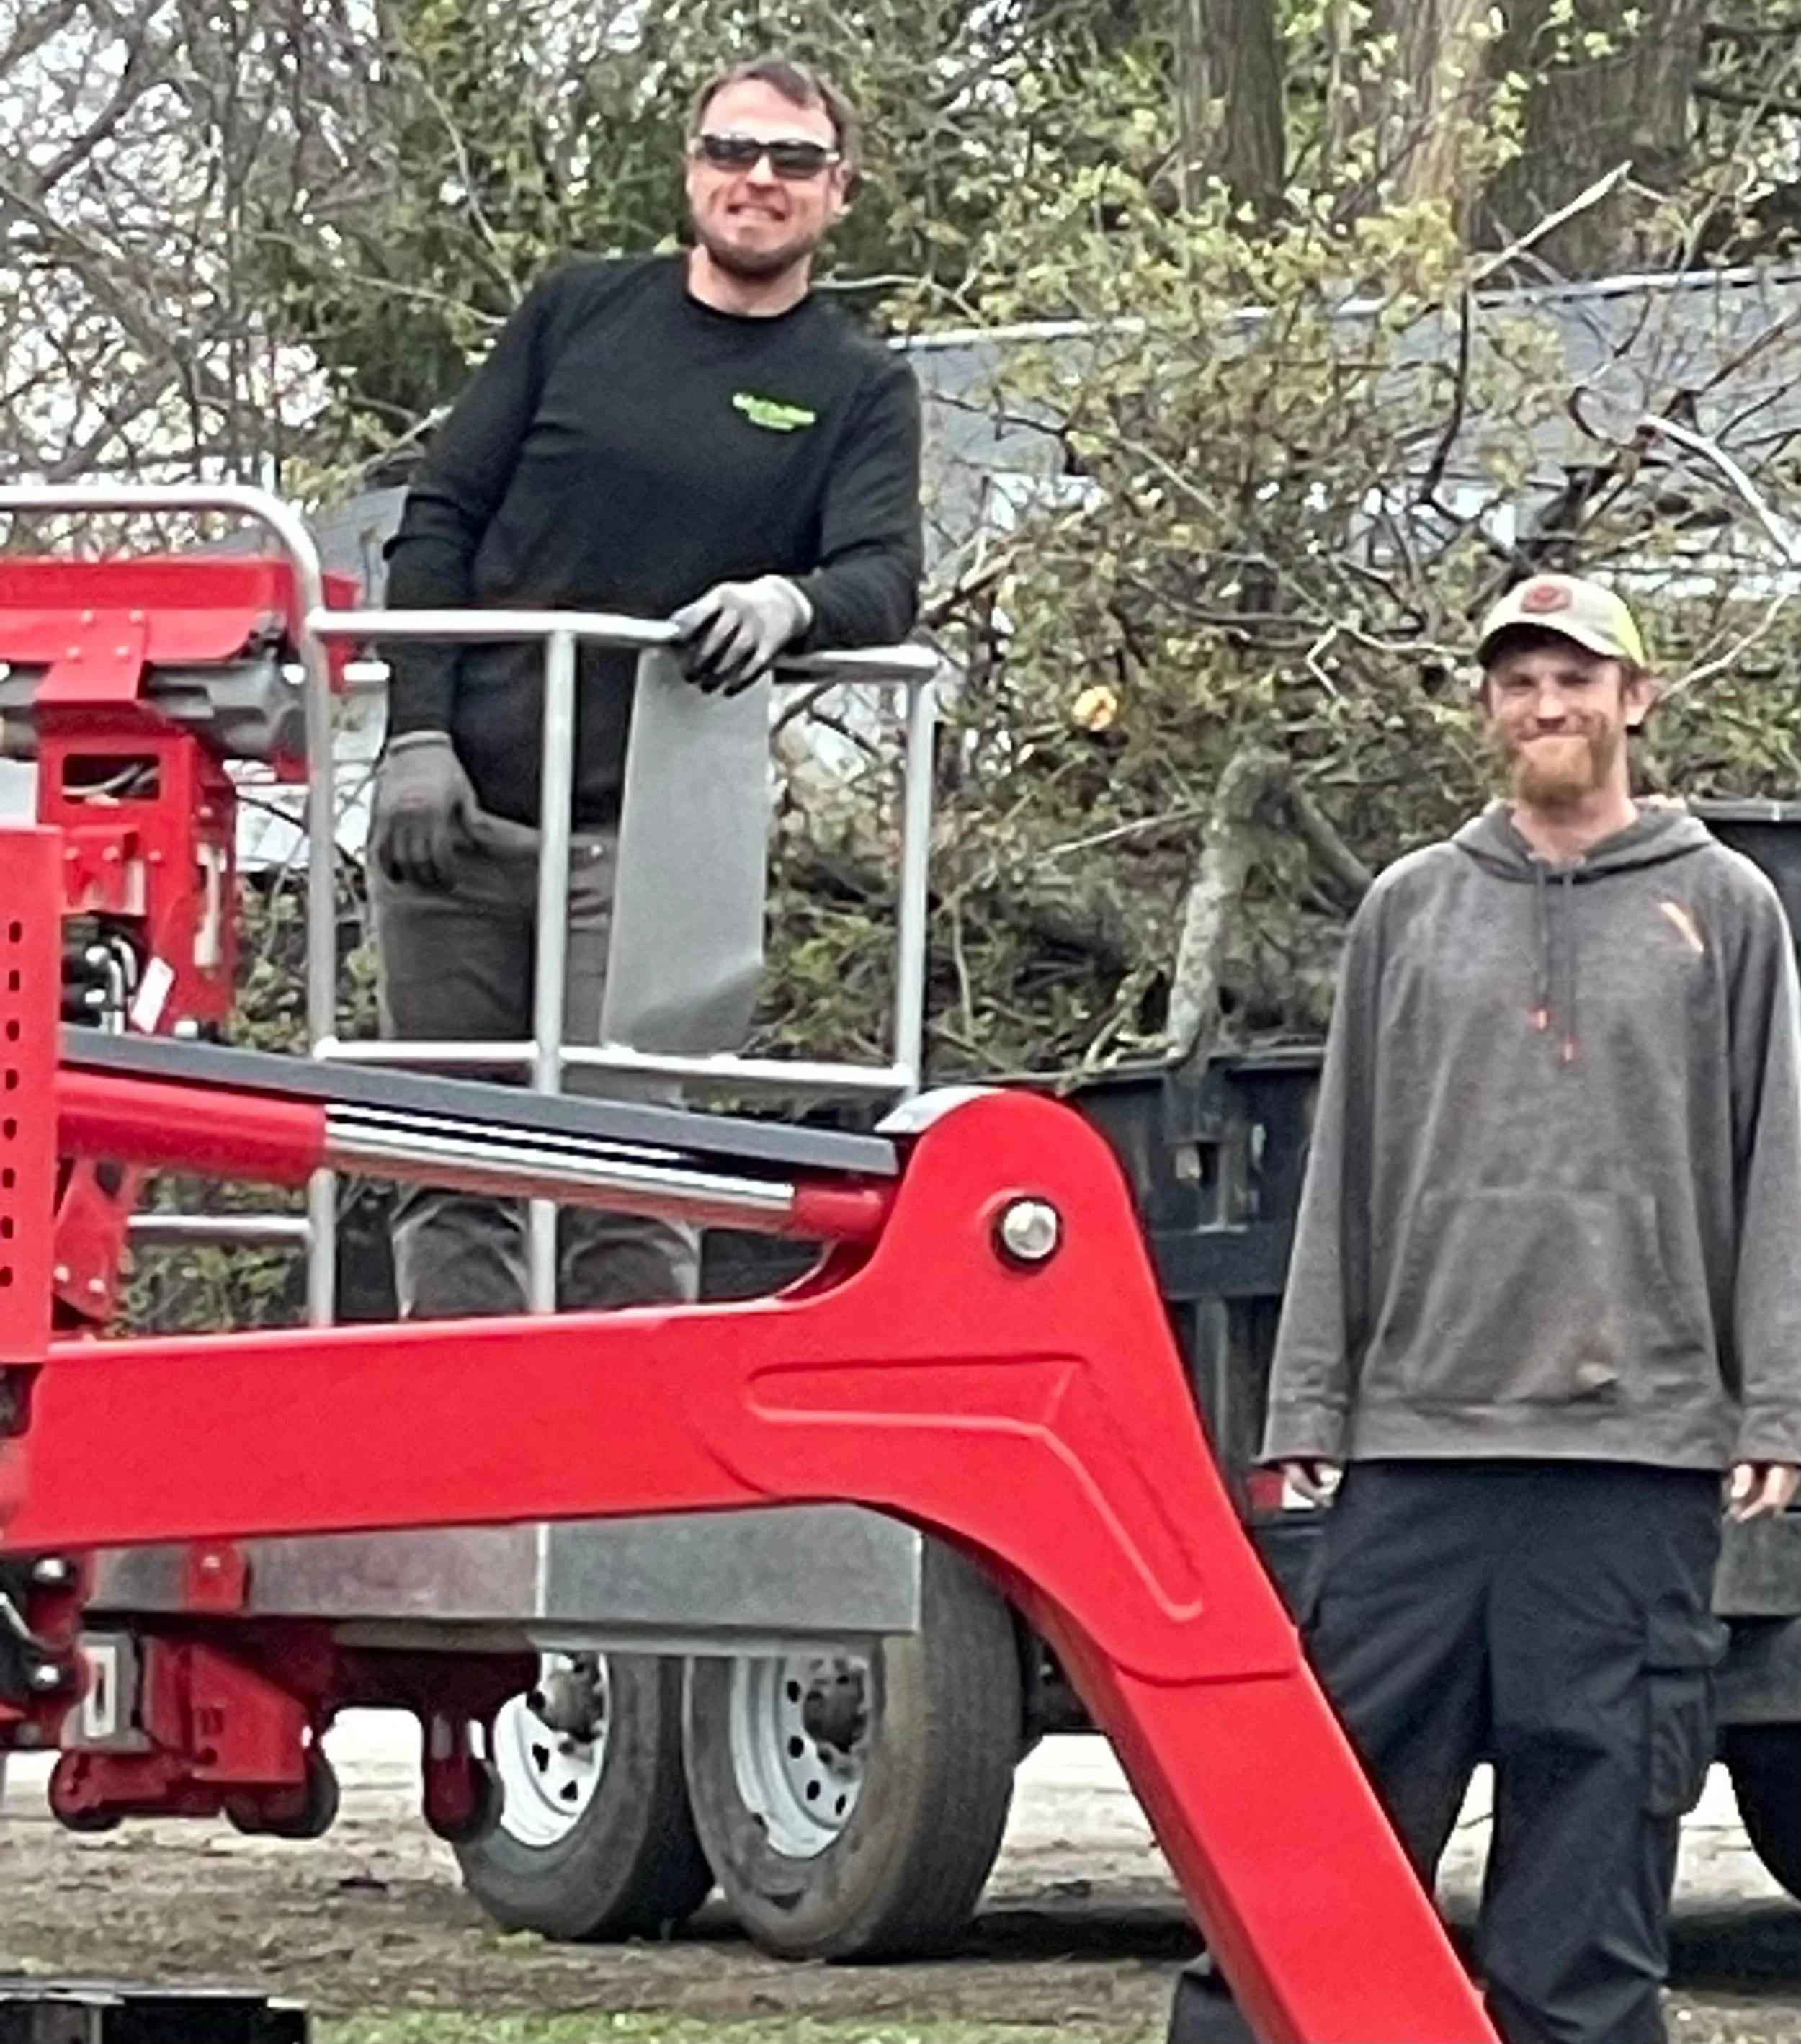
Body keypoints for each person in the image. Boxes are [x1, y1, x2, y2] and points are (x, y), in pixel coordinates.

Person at [1262, 573, 1801, 2044]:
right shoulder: (1411, 908)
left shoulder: (1723, 908)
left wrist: (1772, 1405)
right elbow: (1344, 1169)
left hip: (1633, 1457)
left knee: (1588, 1876)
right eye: (1516, 681)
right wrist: (1308, 1400)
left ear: (1635, 697)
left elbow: (1775, 1167)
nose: (1543, 706)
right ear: (1485, 708)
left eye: (1574, 677)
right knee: (1317, 1854)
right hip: (1416, 1450)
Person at [366, 53, 922, 1318]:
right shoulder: (577, 312)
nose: (757, 182)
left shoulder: (855, 386)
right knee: (443, 1166)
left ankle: (627, 1492)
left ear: (838, 192)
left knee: (625, 1177)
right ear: (691, 170)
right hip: (457, 809)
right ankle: (471, 1494)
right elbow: (440, 514)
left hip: (642, 839)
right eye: (733, 152)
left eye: (791, 161)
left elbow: (885, 574)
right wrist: (412, 735)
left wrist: (790, 602)